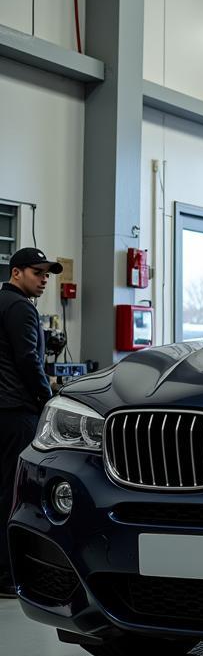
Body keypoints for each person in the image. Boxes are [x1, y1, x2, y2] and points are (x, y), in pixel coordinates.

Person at [0, 247, 63, 597]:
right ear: (16, 273)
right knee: (13, 494)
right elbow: (28, 360)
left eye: (47, 275)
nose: (43, 280)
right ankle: (8, 575)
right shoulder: (20, 308)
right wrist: (47, 399)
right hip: (17, 412)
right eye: (37, 273)